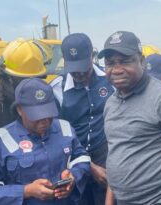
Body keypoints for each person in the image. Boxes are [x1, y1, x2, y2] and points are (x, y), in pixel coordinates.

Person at [99, 31, 161, 205]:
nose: (116, 69)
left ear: (142, 61)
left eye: (125, 61)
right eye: (110, 63)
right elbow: (116, 153)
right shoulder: (111, 103)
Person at [0, 78, 90, 205]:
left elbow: (81, 158)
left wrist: (73, 176)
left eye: (48, 113)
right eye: (36, 115)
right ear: (19, 109)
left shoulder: (65, 128)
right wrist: (26, 191)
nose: (44, 120)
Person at [51, 33, 115, 205]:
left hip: (108, 160)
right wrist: (90, 167)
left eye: (83, 67)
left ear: (92, 57)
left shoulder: (111, 81)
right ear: (64, 60)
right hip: (74, 163)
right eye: (73, 69)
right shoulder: (57, 89)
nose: (79, 74)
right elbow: (56, 134)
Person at [0, 38, 51, 139]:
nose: (31, 87)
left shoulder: (46, 99)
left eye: (36, 80)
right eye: (24, 81)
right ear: (7, 78)